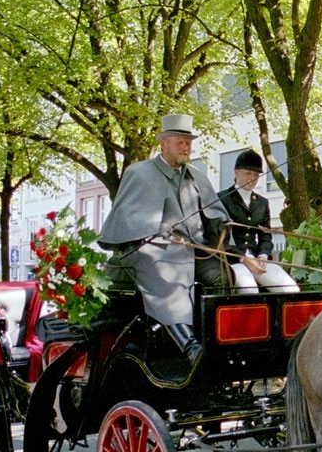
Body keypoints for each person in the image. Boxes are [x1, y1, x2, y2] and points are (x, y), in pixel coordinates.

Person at [98, 113, 229, 361]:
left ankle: (217, 342)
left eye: (188, 142)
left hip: (195, 252)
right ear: (164, 143)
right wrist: (156, 231)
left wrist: (221, 223)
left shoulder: (197, 176)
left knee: (221, 275)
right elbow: (128, 222)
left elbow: (213, 214)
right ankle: (189, 346)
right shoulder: (138, 173)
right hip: (152, 251)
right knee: (162, 270)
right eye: (179, 141)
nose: (185, 146)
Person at [219, 149, 299, 294]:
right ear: (236, 173)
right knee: (249, 289)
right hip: (234, 260)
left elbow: (265, 235)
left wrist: (263, 255)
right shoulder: (222, 199)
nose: (252, 178)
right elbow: (220, 239)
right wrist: (244, 259)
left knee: (290, 288)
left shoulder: (262, 203)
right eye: (247, 173)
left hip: (258, 259)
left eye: (256, 175)